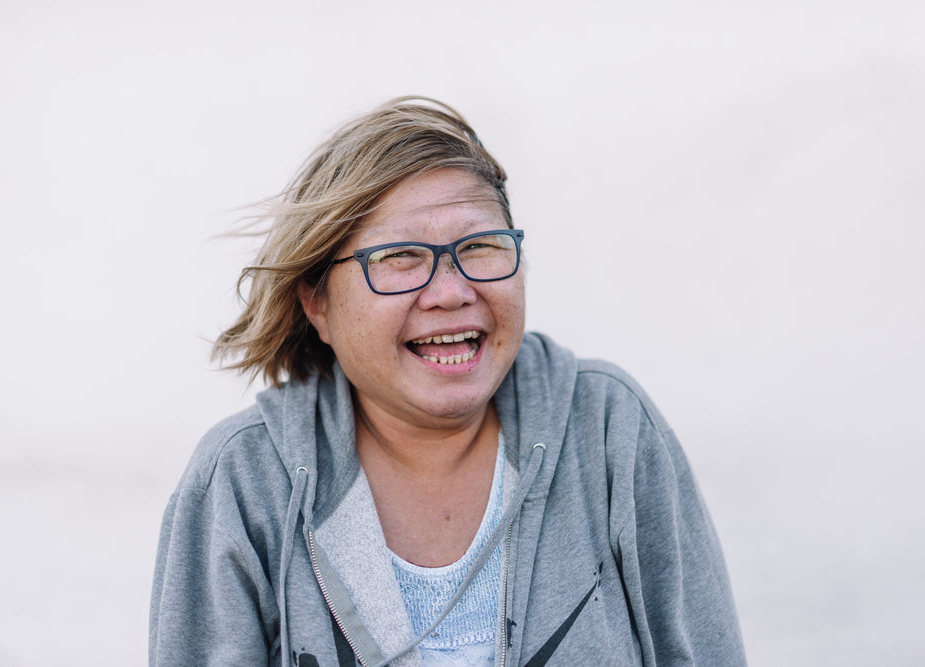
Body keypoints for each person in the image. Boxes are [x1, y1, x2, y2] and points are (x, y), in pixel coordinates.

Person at [149, 97, 746, 667]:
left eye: (480, 246)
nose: (452, 292)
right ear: (317, 303)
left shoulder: (609, 430)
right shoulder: (243, 481)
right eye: (401, 257)